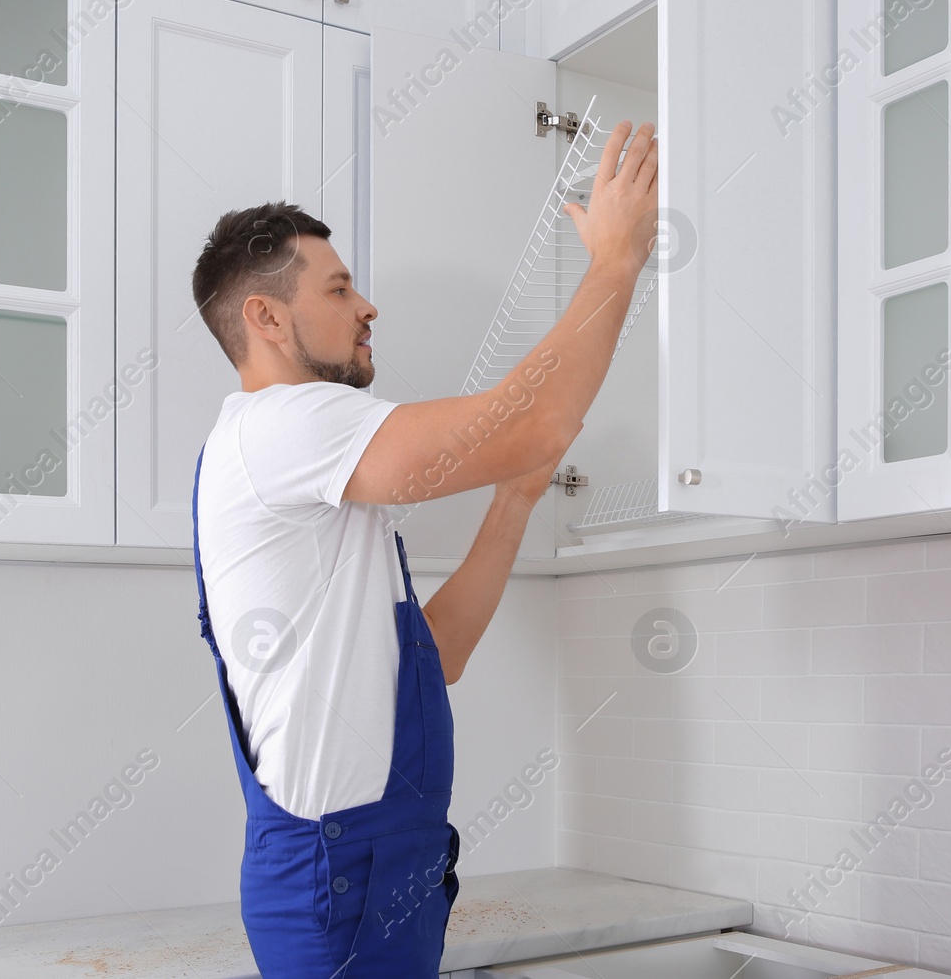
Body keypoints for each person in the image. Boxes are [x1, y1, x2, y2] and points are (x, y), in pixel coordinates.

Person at [188, 119, 660, 976]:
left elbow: (434, 656)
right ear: (265, 316)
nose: (367, 306)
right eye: (337, 291)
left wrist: (515, 496)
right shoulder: (283, 425)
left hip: (372, 876)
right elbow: (535, 420)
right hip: (340, 881)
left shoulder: (310, 473)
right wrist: (616, 260)